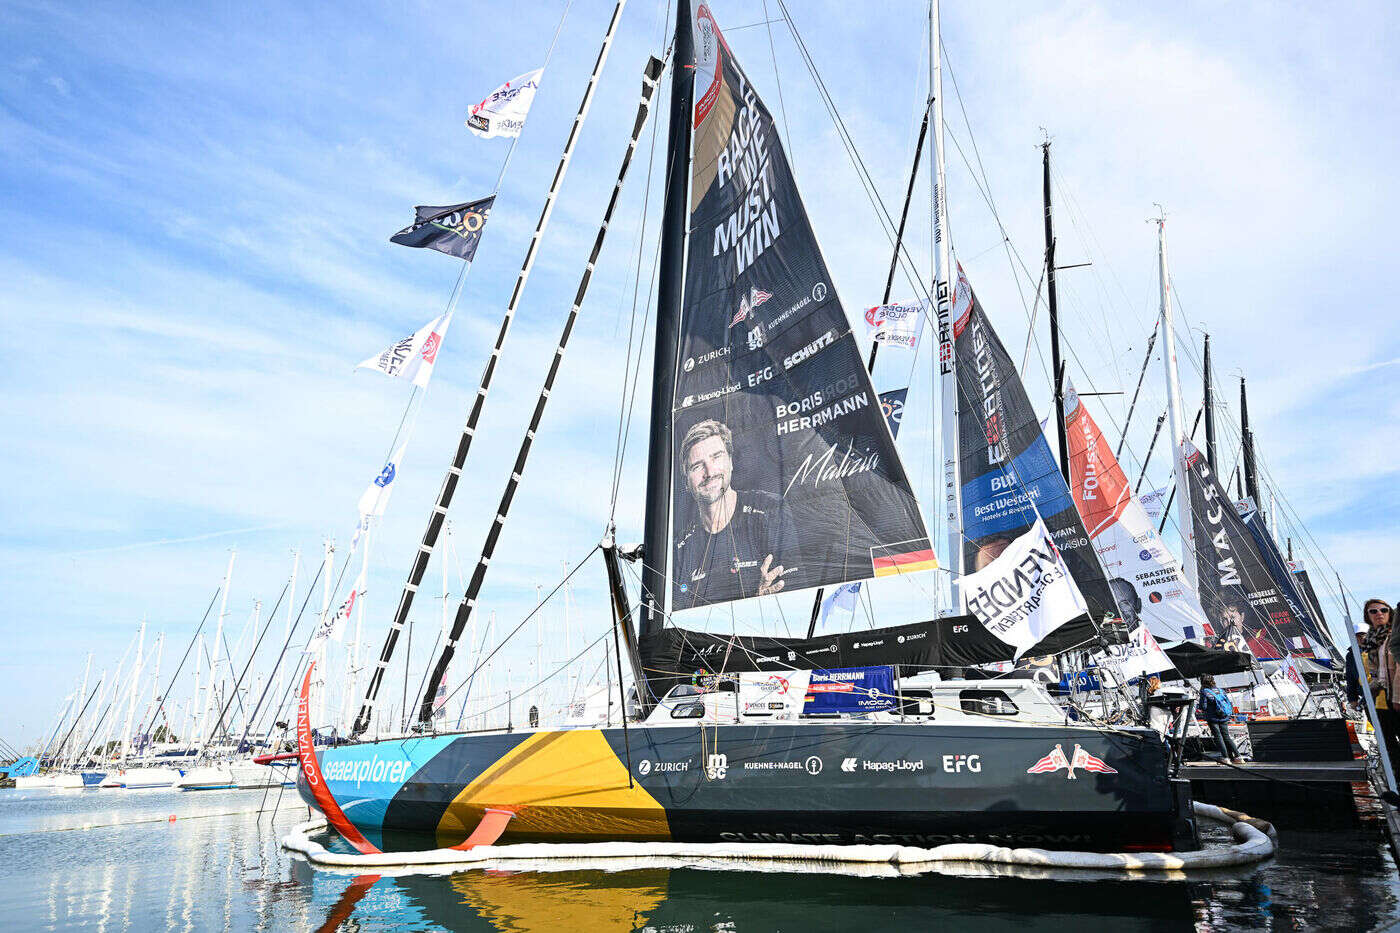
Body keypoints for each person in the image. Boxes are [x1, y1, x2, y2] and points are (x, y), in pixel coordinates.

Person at [672, 419, 799, 606]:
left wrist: (766, 600)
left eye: (716, 457)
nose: (709, 472)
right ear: (686, 481)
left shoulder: (770, 510)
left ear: (731, 462)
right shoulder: (680, 550)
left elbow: (795, 592)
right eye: (697, 466)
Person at [1362, 600, 1400, 762]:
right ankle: (1396, 774)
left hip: (1394, 694)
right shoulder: (1370, 641)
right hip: (1379, 697)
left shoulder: (1393, 636)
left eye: (1384, 610)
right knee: (1387, 739)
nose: (1379, 614)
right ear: (1367, 616)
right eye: (1373, 611)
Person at [1198, 674, 1244, 764]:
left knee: (1219, 737)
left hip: (1213, 718)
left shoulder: (1204, 692)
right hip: (1224, 716)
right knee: (1226, 737)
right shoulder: (1221, 690)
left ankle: (1225, 758)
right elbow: (1228, 702)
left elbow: (1203, 706)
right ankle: (1238, 757)